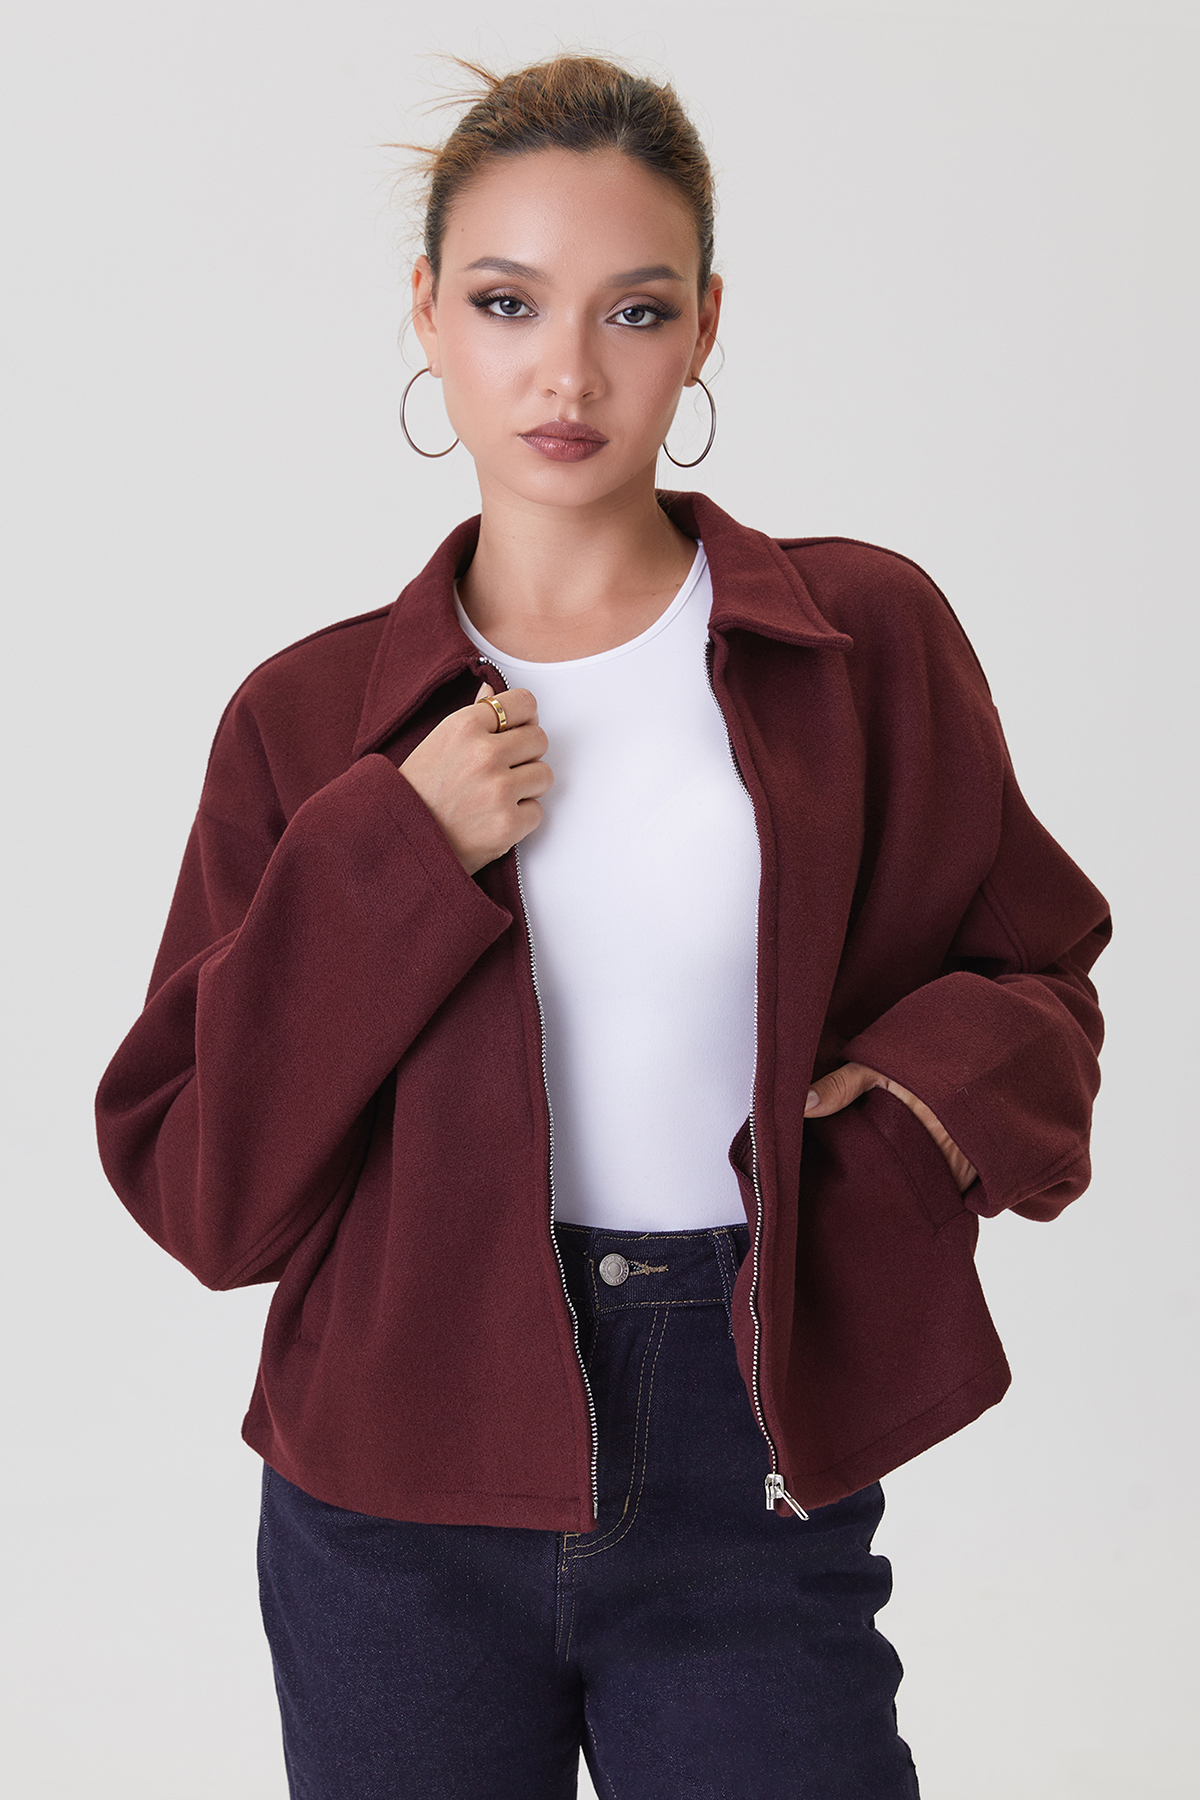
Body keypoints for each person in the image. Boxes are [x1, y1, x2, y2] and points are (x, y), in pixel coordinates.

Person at [95, 51, 1111, 1800]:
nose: (567, 373)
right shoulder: (310, 720)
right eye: (508, 303)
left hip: (747, 1442)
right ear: (427, 311)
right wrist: (396, 851)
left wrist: (911, 1118)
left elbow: (1039, 972)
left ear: (707, 324)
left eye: (633, 310)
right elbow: (204, 1189)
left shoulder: (857, 642)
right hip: (392, 1483)